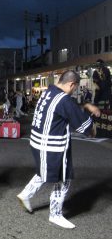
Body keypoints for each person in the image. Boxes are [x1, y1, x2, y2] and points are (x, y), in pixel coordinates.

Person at [16, 70, 100, 229]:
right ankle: (55, 214)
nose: (74, 91)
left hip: (37, 142)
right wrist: (92, 124)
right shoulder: (64, 100)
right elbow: (85, 128)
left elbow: (68, 107)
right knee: (64, 178)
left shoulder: (49, 92)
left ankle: (26, 194)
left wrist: (85, 105)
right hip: (52, 146)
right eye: (74, 88)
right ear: (72, 84)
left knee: (44, 170)